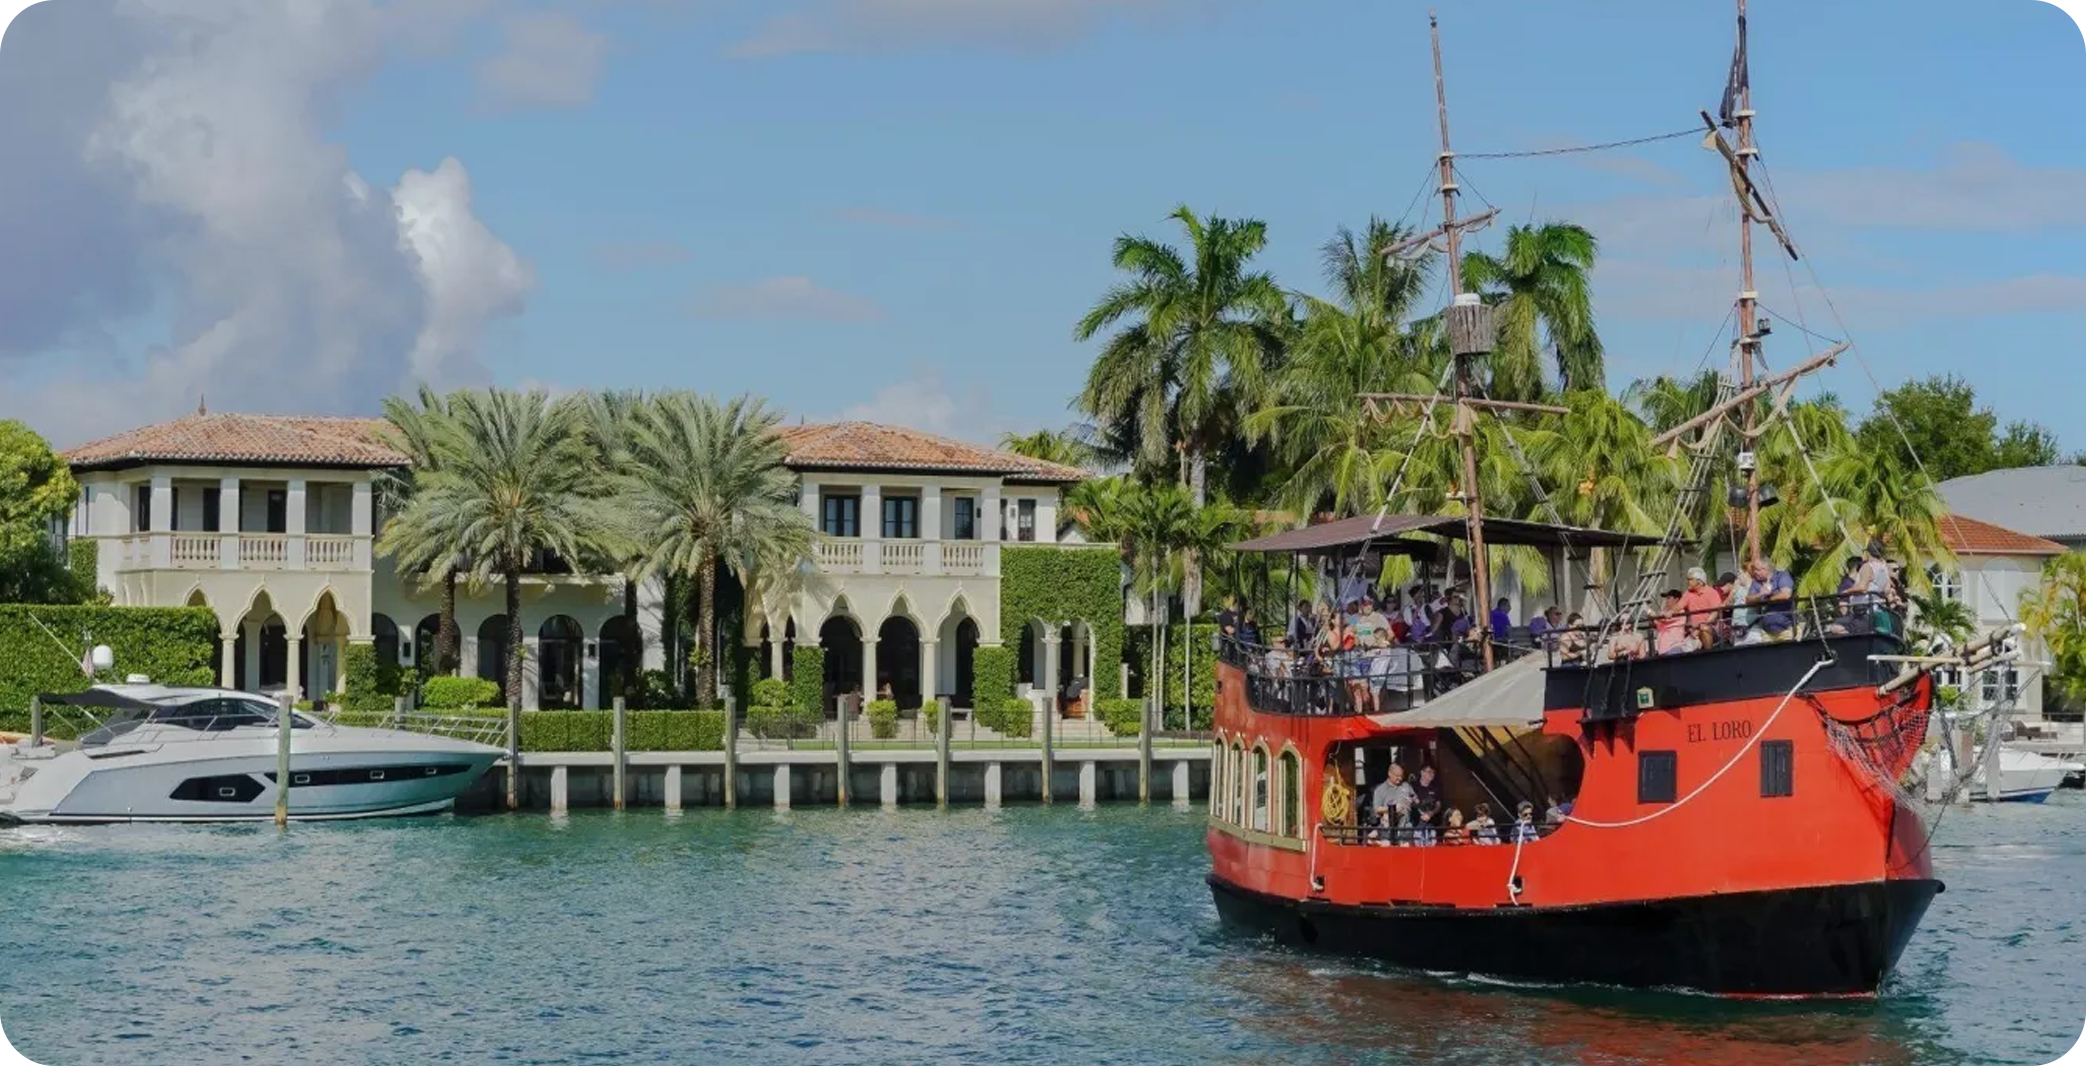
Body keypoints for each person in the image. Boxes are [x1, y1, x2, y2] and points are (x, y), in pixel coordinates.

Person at [1745, 557, 1796, 643]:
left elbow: (1786, 594)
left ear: (1766, 569)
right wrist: (1760, 594)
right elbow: (1748, 600)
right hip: (1766, 631)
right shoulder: (1756, 582)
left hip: (1785, 628)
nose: (1754, 572)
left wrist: (1768, 598)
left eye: (1757, 570)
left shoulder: (1782, 576)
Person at [1368, 764, 1416, 845]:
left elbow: (1416, 800)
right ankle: (1377, 840)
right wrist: (1393, 808)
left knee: (1406, 850)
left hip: (1406, 826)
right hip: (1388, 827)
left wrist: (1413, 801)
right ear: (1389, 773)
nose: (1400, 778)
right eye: (1397, 776)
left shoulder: (1406, 786)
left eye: (1401, 776)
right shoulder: (1380, 789)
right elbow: (1377, 809)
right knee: (1387, 848)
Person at [1679, 567, 1724, 648]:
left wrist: (1700, 627)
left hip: (1710, 629)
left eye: (1690, 579)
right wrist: (1670, 612)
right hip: (1693, 632)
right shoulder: (1688, 593)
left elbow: (1714, 614)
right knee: (1678, 648)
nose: (1687, 582)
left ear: (1699, 581)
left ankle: (1709, 658)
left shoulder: (1712, 592)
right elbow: (1678, 607)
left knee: (1705, 629)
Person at [1653, 589, 1690, 655]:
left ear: (1676, 599)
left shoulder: (1680, 611)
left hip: (1674, 647)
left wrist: (1653, 615)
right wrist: (1653, 619)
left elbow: (1666, 619)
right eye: (1666, 598)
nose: (1666, 600)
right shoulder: (1664, 612)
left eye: (1669, 598)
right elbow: (1659, 626)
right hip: (1662, 649)